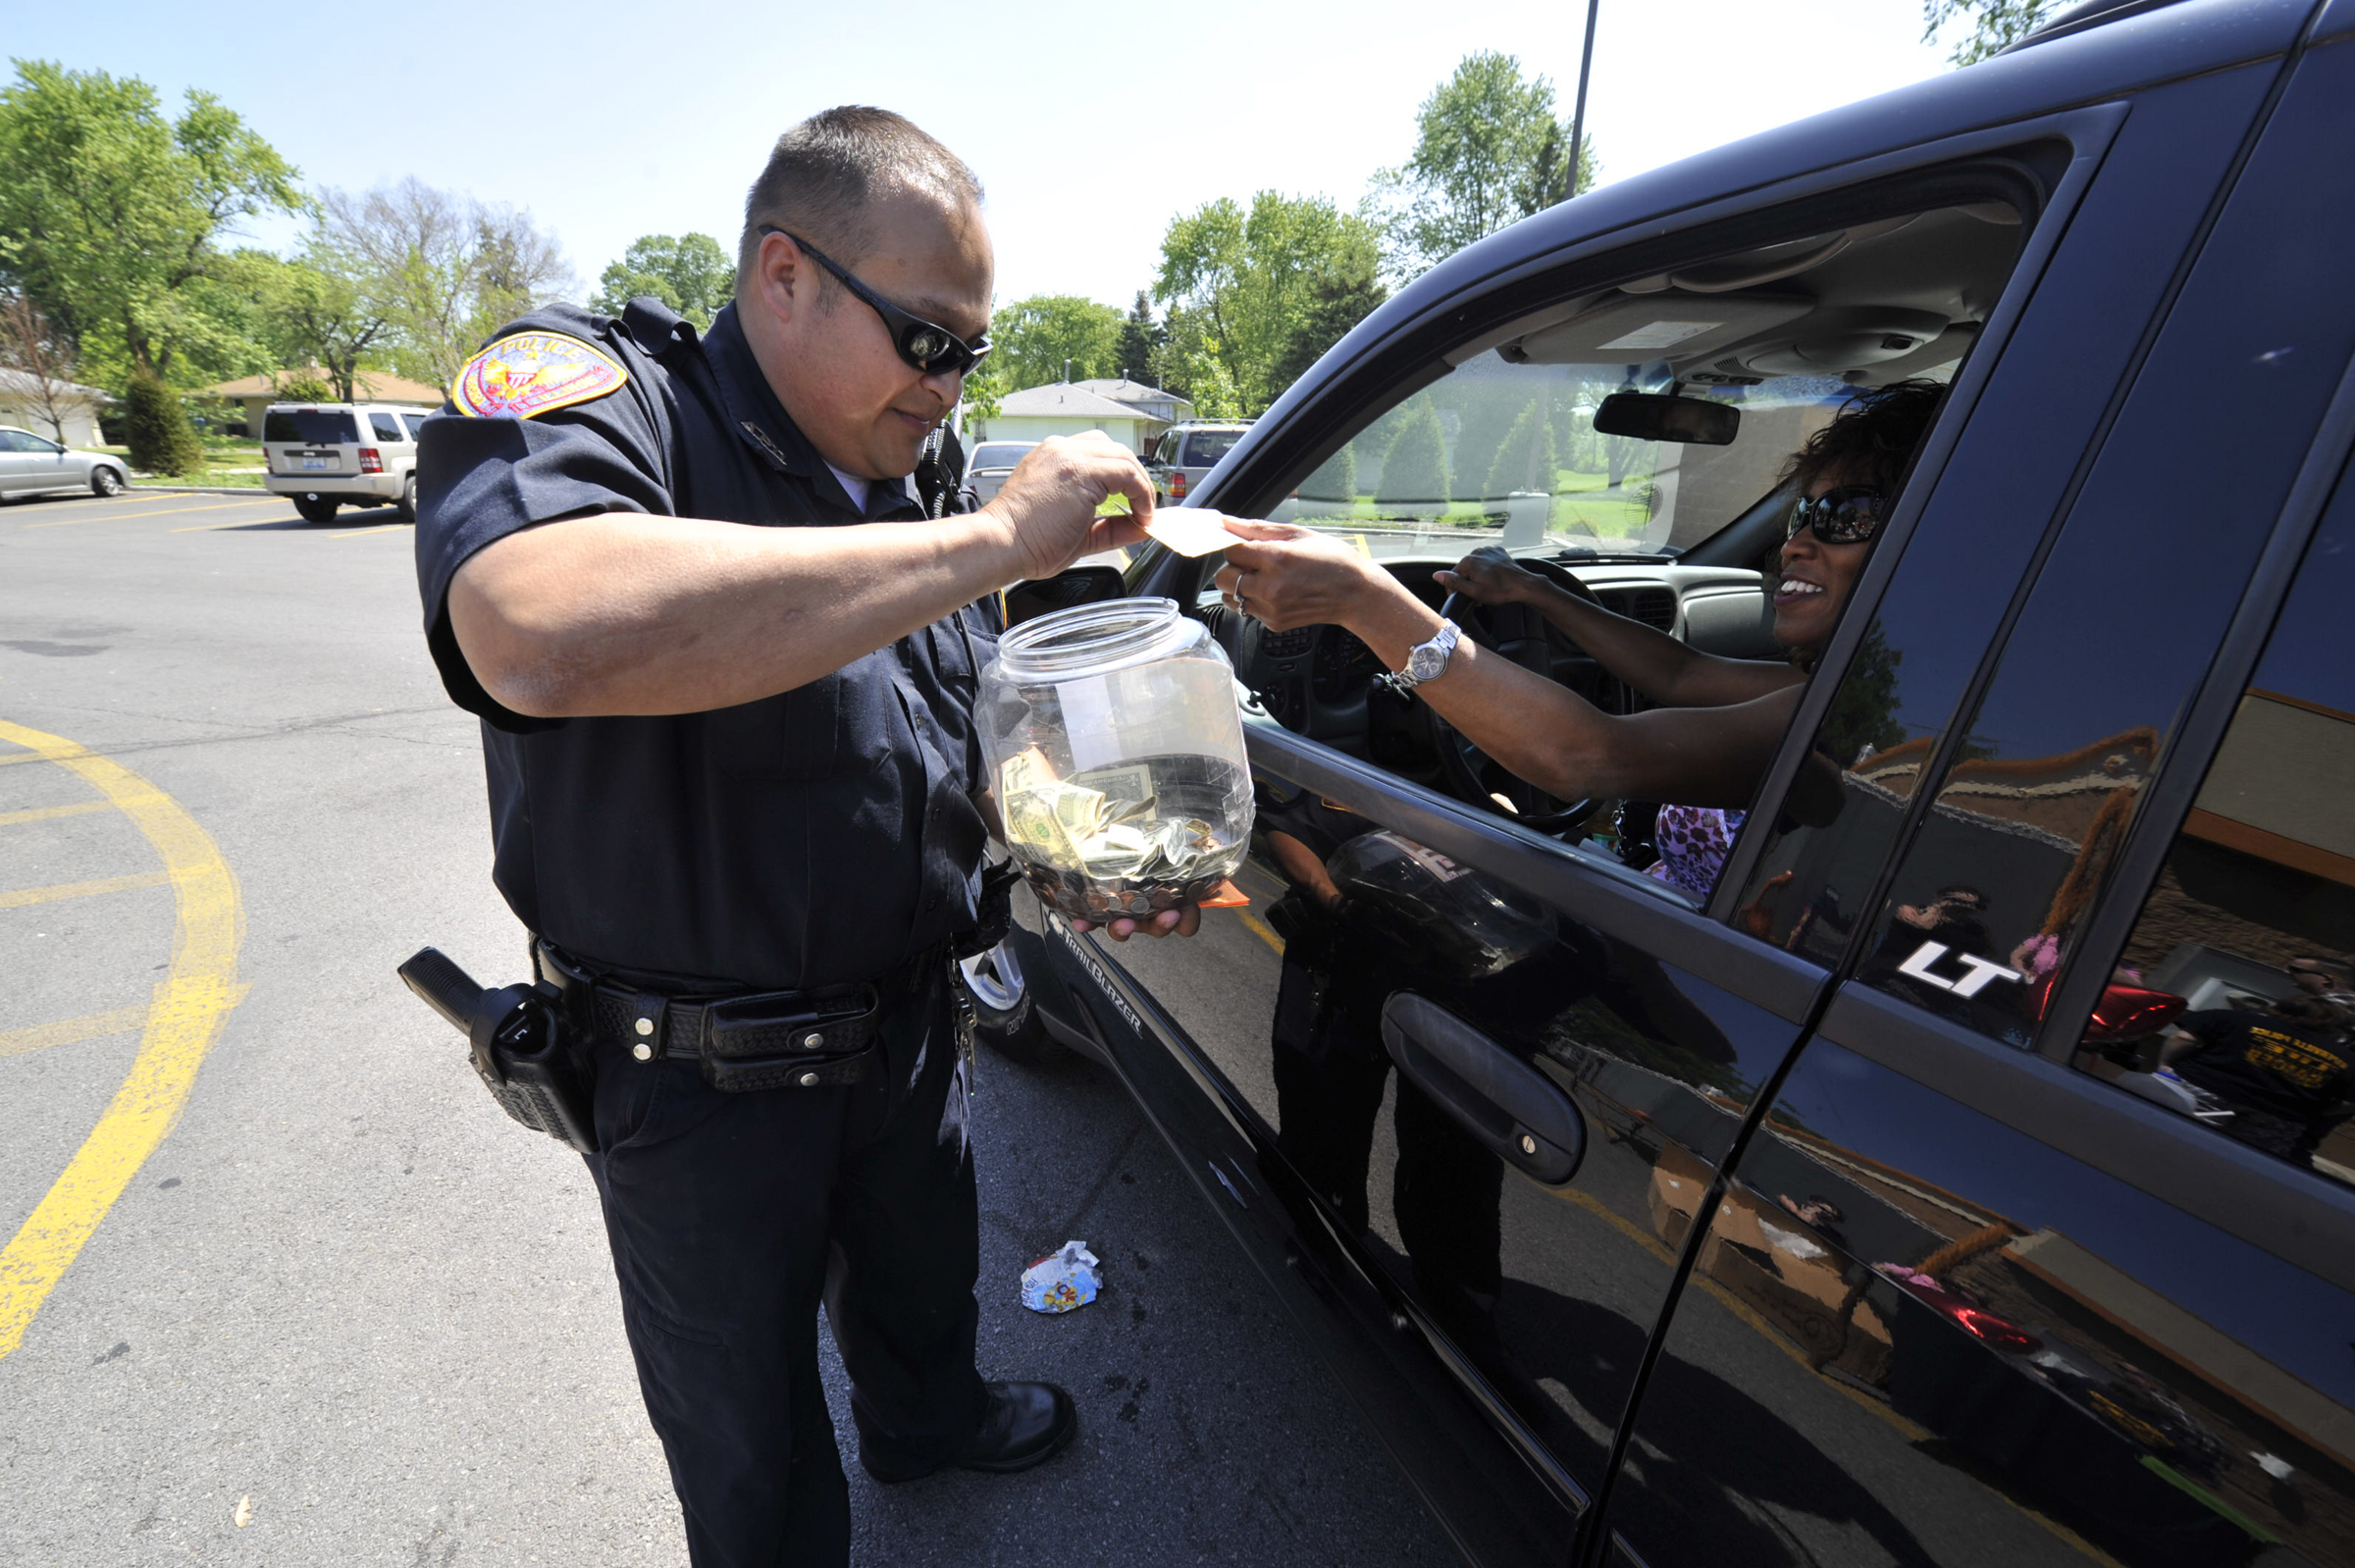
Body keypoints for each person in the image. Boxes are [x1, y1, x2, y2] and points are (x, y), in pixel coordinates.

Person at [412, 107, 1191, 1568]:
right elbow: (535, 627)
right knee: (749, 1441)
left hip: (906, 1027)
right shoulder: (616, 401)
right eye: (927, 338)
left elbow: (933, 725)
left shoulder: (916, 472)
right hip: (702, 1084)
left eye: (971, 349)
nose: (951, 386)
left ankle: (926, 1418)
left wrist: (1071, 855)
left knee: (922, 1287)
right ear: (785, 274)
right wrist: (991, 543)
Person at [1214, 380, 1945, 846]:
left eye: (1846, 516)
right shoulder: (1842, 696)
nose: (1800, 545)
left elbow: (1584, 756)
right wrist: (1539, 593)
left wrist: (1364, 600)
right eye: (1801, 517)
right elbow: (1685, 674)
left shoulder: (1846, 722)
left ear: (1937, 541)